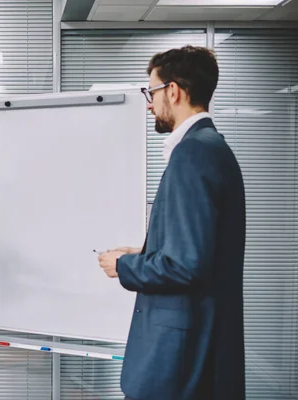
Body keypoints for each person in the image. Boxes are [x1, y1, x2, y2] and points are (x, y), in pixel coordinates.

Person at [98, 46, 246, 400]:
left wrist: (125, 264)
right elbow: (199, 249)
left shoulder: (193, 155)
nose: (149, 104)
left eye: (152, 93)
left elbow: (186, 267)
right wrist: (147, 251)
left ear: (174, 91)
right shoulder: (211, 148)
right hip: (199, 350)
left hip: (180, 361)